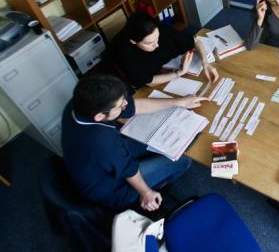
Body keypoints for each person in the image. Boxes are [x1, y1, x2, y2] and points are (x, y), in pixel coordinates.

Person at [61, 74, 207, 211]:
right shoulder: (100, 141)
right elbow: (128, 169)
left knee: (162, 141)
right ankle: (157, 190)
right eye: (120, 106)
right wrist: (146, 192)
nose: (126, 103)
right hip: (112, 189)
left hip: (101, 161)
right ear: (99, 116)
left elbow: (135, 106)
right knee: (184, 159)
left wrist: (178, 102)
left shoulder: (80, 103)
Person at [107, 12, 219, 89]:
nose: (156, 45)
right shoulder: (128, 55)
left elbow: (195, 41)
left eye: (157, 38)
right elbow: (149, 82)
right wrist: (179, 72)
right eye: (149, 43)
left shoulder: (161, 32)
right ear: (134, 41)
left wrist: (205, 63)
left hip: (165, 67)